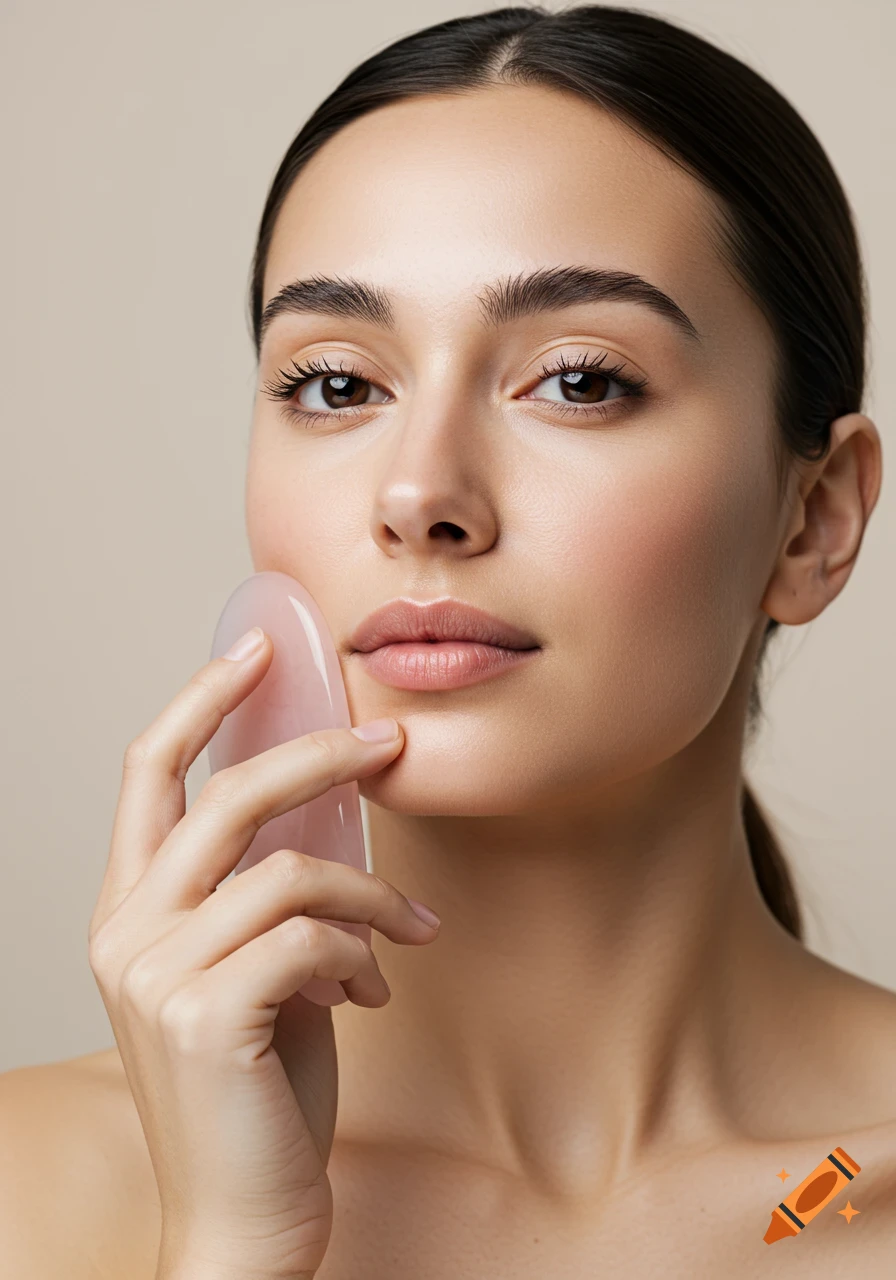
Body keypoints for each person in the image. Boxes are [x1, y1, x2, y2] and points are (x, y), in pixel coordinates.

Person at [1, 5, 892, 1277]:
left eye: (580, 379)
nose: (418, 492)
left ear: (811, 518)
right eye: (336, 384)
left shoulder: (845, 1198)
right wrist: (231, 1244)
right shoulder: (28, 1191)